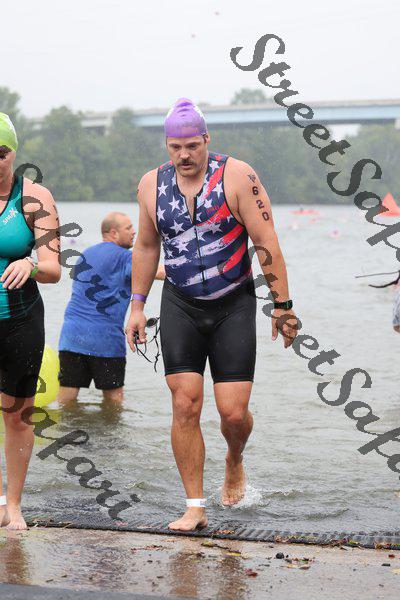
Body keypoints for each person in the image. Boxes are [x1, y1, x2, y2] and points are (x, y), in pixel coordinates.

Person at [125, 98, 298, 531]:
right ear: (167, 145)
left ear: (206, 139)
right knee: (184, 402)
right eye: (175, 147)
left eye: (192, 146)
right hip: (180, 303)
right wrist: (137, 305)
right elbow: (146, 246)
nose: (184, 155)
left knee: (233, 414)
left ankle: (234, 459)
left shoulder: (237, 176)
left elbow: (266, 242)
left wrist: (283, 306)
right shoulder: (151, 185)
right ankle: (194, 506)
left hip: (233, 303)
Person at [0, 113, 61, 530]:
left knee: (18, 415)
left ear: (14, 153)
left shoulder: (34, 197)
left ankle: (14, 506)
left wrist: (31, 264)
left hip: (20, 320)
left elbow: (54, 269)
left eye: (1, 153)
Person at [58, 212, 165, 404]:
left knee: (67, 402)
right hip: (105, 340)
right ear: (114, 233)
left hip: (71, 337)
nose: (134, 232)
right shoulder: (125, 257)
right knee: (113, 405)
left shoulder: (86, 253)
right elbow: (156, 271)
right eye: (128, 228)